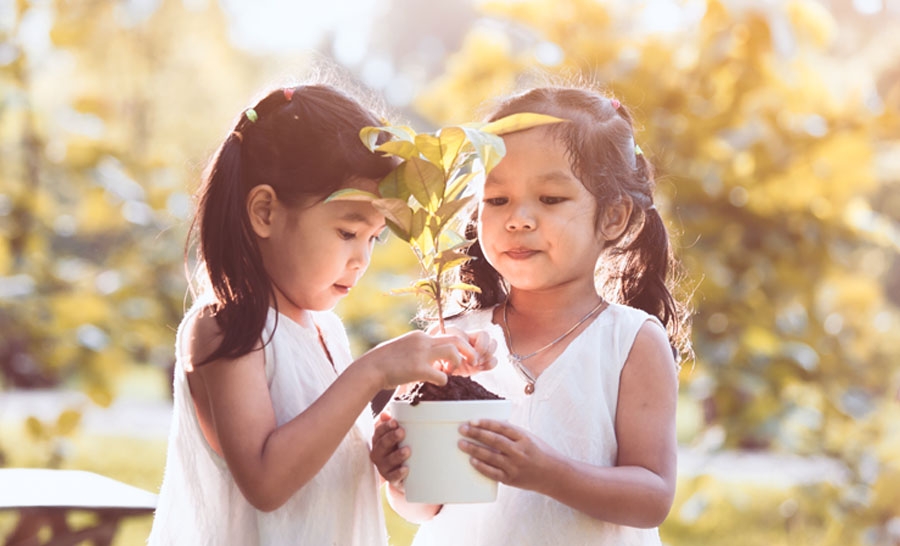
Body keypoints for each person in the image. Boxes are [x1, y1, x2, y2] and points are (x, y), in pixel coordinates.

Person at [148, 83, 493, 546]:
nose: (362, 259)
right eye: (348, 231)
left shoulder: (325, 329)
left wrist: (385, 446)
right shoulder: (225, 327)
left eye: (373, 239)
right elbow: (267, 483)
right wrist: (372, 371)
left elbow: (324, 461)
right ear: (266, 212)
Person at [371, 85, 692, 545]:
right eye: (497, 200)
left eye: (550, 199)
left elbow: (652, 496)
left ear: (613, 217)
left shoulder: (631, 341)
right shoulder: (453, 338)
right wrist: (400, 474)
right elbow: (422, 507)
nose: (518, 219)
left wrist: (548, 473)